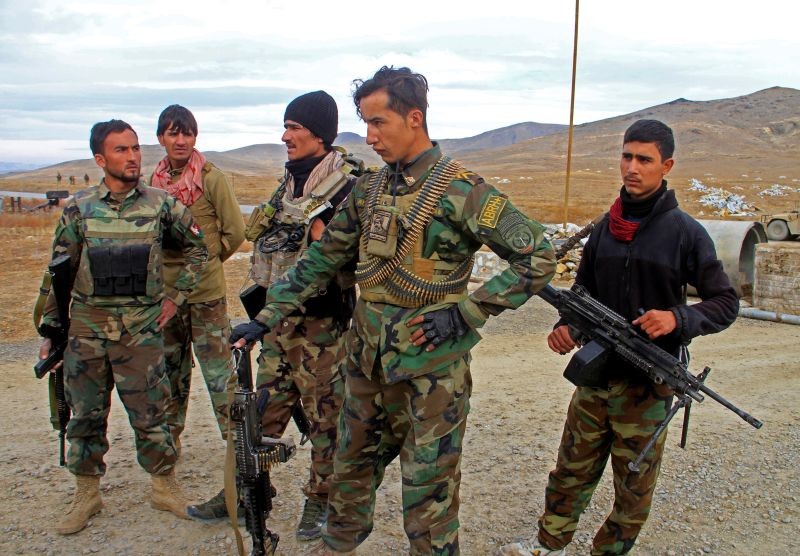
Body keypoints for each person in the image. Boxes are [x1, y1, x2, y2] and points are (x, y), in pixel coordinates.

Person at [230, 66, 556, 555]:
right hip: (366, 363)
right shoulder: (369, 189)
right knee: (349, 469)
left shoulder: (462, 190)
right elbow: (322, 258)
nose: (370, 136)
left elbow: (538, 257)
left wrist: (468, 312)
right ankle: (337, 546)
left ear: (415, 118)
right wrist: (265, 317)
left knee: (428, 490)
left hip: (430, 371)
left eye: (379, 122)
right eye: (365, 123)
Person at [497, 119, 740, 556]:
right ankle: (548, 545)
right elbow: (581, 294)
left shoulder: (685, 233)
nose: (632, 167)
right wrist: (565, 328)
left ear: (666, 165)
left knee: (633, 489)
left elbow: (726, 303)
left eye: (644, 159)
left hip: (647, 388)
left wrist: (678, 318)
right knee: (569, 472)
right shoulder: (605, 228)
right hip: (595, 380)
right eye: (626, 156)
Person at [187, 92, 358, 539]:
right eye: (285, 127)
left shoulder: (346, 189)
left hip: (322, 329)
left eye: (295, 127)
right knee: (260, 412)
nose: (285, 136)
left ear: (320, 133)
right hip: (278, 325)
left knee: (325, 418)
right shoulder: (290, 183)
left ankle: (321, 501)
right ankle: (247, 494)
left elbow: (347, 260)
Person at [37, 119, 207, 535]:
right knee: (85, 417)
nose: (133, 157)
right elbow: (58, 272)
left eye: (135, 148)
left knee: (153, 415)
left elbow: (198, 249)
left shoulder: (161, 204)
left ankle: (163, 487)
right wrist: (49, 330)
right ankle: (87, 494)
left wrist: (175, 297)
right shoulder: (79, 210)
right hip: (87, 331)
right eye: (121, 150)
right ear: (100, 159)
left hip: (142, 331)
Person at [149, 104, 245, 452]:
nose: (181, 140)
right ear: (161, 138)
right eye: (173, 133)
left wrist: (208, 260)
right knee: (170, 375)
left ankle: (239, 452)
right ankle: (167, 449)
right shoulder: (156, 183)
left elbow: (235, 231)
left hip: (205, 295)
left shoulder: (210, 177)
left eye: (187, 133)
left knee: (221, 378)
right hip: (168, 297)